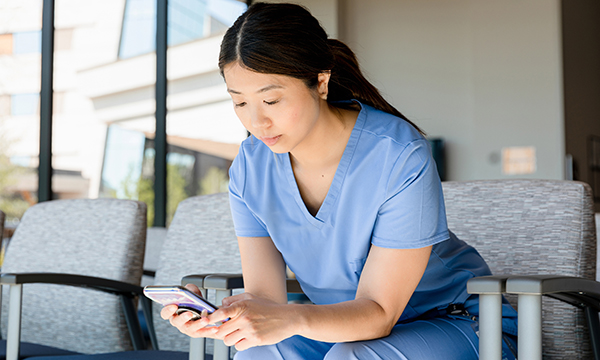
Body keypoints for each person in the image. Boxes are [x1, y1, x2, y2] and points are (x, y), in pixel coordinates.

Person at [161, 2, 518, 359]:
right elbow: (267, 300)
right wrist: (223, 316)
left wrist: (292, 318)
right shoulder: (250, 168)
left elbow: (378, 312)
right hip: (337, 327)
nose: (257, 122)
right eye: (240, 103)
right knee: (257, 354)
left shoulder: (399, 155)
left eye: (271, 99)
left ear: (320, 81)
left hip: (454, 323)